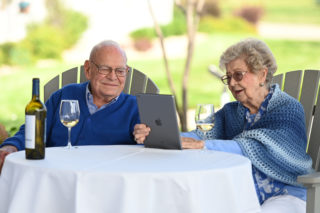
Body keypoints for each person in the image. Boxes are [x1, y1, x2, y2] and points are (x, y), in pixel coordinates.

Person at [133, 38, 313, 213]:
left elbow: (260, 145)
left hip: (287, 193)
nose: (232, 83)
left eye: (238, 75)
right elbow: (202, 134)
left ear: (262, 74)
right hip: (243, 192)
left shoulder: (287, 108)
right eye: (228, 77)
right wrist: (161, 134)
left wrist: (203, 145)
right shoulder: (233, 111)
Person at [0, 40, 140, 173]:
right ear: (88, 69)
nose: (113, 77)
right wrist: (11, 146)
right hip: (54, 176)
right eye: (104, 69)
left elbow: (147, 149)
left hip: (106, 182)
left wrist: (144, 139)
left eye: (120, 71)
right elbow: (34, 129)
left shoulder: (135, 108)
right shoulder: (64, 96)